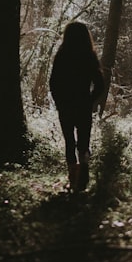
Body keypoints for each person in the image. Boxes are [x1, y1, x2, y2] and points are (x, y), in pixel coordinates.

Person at [49, 21, 105, 192]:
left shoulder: (62, 55)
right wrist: (90, 100)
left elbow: (53, 83)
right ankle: (84, 176)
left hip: (66, 105)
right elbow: (100, 84)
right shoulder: (89, 55)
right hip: (83, 105)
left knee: (69, 143)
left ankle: (74, 179)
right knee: (83, 143)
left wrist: (59, 102)